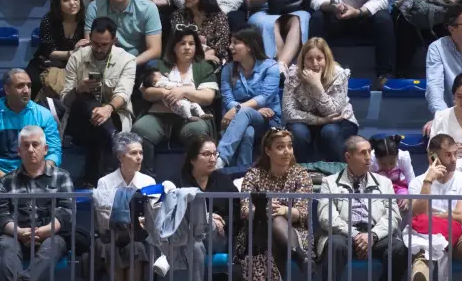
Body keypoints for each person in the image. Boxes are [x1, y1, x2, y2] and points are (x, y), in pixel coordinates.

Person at [0, 69, 63, 245]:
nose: (27, 90)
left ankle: (41, 237)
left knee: (60, 179)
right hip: (3, 174)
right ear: (7, 90)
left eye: (28, 85)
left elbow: (54, 151)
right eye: (20, 86)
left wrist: (42, 171)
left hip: (37, 171)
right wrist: (6, 178)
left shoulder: (42, 115)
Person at [318, 135, 408, 281]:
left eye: (369, 152)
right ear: (348, 157)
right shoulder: (329, 183)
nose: (368, 157)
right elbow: (327, 217)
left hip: (375, 234)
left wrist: (372, 236)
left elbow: (393, 215)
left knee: (399, 248)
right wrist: (354, 234)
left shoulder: (384, 183)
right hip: (345, 234)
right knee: (334, 244)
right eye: (362, 153)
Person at [0, 125, 73, 281]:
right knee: (6, 246)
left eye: (35, 144)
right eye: (26, 145)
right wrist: (20, 233)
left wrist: (45, 230)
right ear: (19, 151)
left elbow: (67, 211)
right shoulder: (6, 181)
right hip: (15, 233)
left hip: (51, 234)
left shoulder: (62, 177)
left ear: (45, 149)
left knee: (54, 244)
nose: (30, 149)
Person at [234, 129, 312, 281]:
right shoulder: (254, 174)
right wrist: (263, 211)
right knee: (269, 229)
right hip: (254, 232)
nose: (287, 151)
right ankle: (298, 256)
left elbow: (303, 213)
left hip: (294, 233)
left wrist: (283, 211)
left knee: (275, 228)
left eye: (290, 146)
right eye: (280, 147)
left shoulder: (301, 174)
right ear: (268, 151)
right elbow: (245, 210)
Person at [56, 17, 135, 185]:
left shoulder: (127, 60)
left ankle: (92, 180)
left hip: (114, 116)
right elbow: (64, 100)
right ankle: (114, 139)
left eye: (104, 45)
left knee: (98, 126)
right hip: (79, 120)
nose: (99, 49)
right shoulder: (77, 58)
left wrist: (108, 108)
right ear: (90, 37)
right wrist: (78, 90)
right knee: (85, 99)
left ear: (114, 40)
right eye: (95, 43)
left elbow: (124, 92)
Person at [408, 134, 462, 281]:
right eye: (448, 155)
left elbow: (461, 216)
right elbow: (417, 215)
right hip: (426, 234)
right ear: (433, 157)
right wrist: (428, 182)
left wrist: (433, 215)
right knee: (421, 259)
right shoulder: (417, 182)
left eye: (455, 154)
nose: (453, 159)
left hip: (458, 233)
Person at [132, 25, 218, 174]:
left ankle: (193, 178)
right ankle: (145, 178)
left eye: (191, 44)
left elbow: (208, 97)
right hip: (158, 115)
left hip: (190, 117)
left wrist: (182, 91)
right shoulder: (158, 65)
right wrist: (166, 92)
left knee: (199, 130)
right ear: (173, 46)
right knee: (140, 129)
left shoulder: (204, 67)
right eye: (182, 43)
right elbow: (146, 92)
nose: (187, 47)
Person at [92, 132, 158, 281]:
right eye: (133, 153)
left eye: (141, 153)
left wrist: (147, 221)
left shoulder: (148, 182)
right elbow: (102, 217)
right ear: (121, 157)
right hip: (112, 235)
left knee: (136, 248)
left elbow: (156, 214)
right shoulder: (105, 182)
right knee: (106, 248)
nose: (139, 158)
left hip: (138, 236)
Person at [177, 135, 238, 281]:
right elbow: (176, 215)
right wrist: (207, 216)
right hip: (188, 238)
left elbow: (237, 211)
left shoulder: (224, 181)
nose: (212, 159)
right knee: (196, 245)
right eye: (206, 154)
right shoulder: (180, 182)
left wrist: (222, 219)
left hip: (219, 238)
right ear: (192, 159)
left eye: (215, 154)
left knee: (208, 227)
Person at [282, 38, 357, 163]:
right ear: (302, 60)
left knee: (329, 131)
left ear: (326, 59)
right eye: (309, 59)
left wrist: (317, 86)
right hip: (305, 121)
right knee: (299, 132)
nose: (315, 63)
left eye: (319, 58)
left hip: (339, 120)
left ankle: (339, 174)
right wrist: (320, 120)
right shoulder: (293, 75)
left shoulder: (339, 74)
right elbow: (288, 112)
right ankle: (301, 174)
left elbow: (333, 111)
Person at [217, 28, 282, 168]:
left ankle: (220, 158)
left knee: (244, 112)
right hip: (240, 121)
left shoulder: (270, 67)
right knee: (247, 132)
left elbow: (265, 97)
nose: (230, 46)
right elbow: (227, 99)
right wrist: (251, 111)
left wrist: (238, 109)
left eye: (236, 42)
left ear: (249, 46)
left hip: (268, 120)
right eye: (230, 42)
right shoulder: (228, 69)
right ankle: (243, 174)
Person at [84, 0, 163, 66]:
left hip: (136, 62)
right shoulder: (94, 7)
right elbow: (89, 44)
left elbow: (155, 50)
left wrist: (127, 65)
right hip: (103, 60)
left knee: (153, 65)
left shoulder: (148, 8)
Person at [28, 0, 87, 98]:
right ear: (58, 4)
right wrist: (72, 53)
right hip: (45, 62)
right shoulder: (48, 20)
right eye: (66, 0)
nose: (72, 3)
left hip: (74, 64)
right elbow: (49, 52)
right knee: (33, 82)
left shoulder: (85, 20)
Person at [170, 0, 231, 66]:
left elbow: (222, 46)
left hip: (211, 59)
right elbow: (174, 44)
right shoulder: (178, 16)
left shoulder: (218, 17)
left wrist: (206, 55)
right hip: (183, 57)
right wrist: (198, 57)